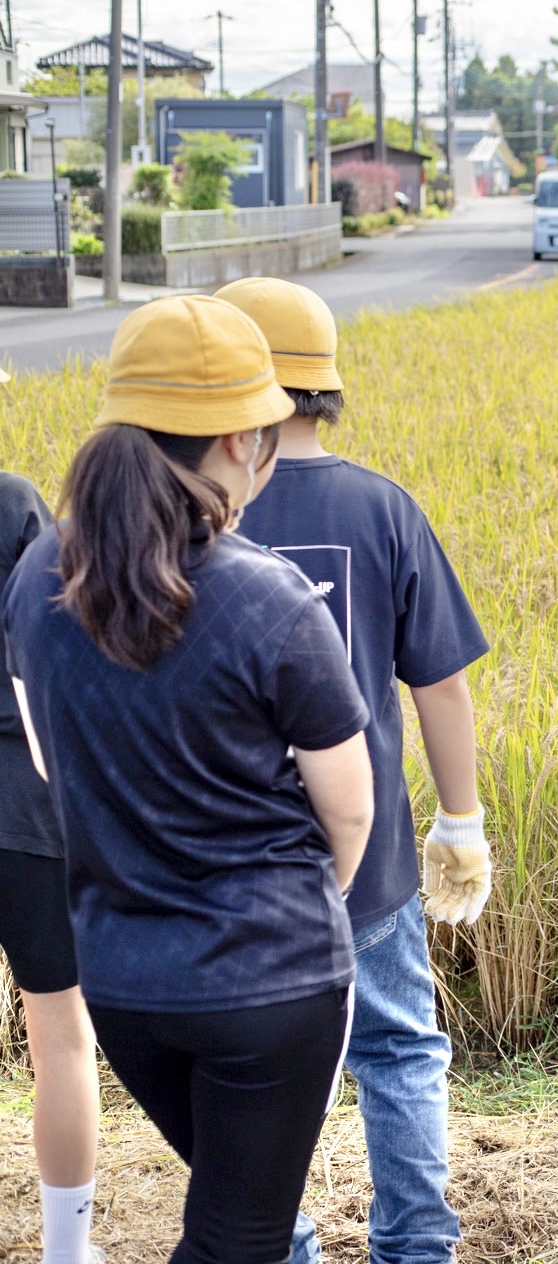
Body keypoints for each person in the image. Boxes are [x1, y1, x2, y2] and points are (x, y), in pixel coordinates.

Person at [1, 296, 374, 1262]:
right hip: (269, 981)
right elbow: (350, 804)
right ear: (244, 438)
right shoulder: (272, 599)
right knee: (235, 1237)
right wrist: (290, 904)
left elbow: (48, 759)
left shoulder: (40, 576)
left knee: (228, 1213)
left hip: (125, 985)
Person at [219, 277, 492, 1264]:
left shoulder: (185, 517)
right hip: (368, 851)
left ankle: (278, 1246)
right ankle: (418, 1247)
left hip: (235, 863)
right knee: (398, 1050)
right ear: (322, 386)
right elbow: (442, 688)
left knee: (254, 1070)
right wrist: (460, 821)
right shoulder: (381, 508)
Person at [0, 471, 100, 1264]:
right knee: (60, 1033)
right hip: (23, 804)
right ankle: (66, 1252)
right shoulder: (11, 501)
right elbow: (63, 635)